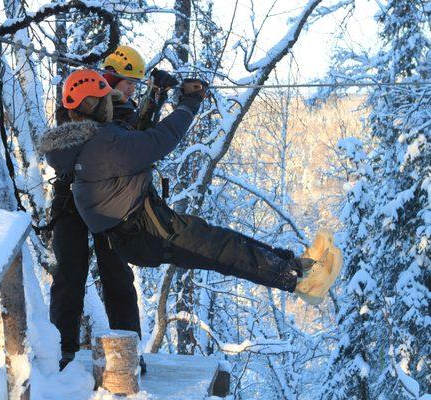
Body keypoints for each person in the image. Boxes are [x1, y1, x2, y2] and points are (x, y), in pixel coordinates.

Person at [41, 69, 340, 330]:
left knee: (224, 242)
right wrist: (189, 103)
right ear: (96, 107)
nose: (111, 106)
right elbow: (160, 139)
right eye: (106, 101)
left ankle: (297, 266)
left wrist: (155, 96)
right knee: (223, 251)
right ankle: (302, 282)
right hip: (145, 231)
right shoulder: (103, 145)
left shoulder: (84, 142)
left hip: (143, 225)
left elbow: (132, 129)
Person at [48, 45, 173, 373]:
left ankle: (128, 352)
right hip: (72, 201)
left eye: (135, 83)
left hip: (110, 202)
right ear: (109, 79)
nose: (132, 88)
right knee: (69, 275)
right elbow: (70, 137)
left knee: (117, 276)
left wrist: (155, 99)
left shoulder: (127, 109)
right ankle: (62, 351)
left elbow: (140, 140)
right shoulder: (79, 100)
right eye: (127, 81)